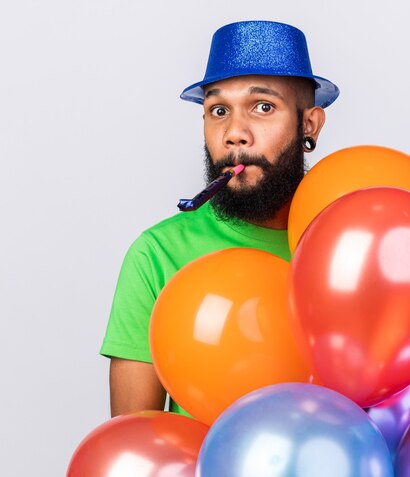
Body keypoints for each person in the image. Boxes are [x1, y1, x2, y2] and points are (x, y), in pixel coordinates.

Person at [100, 20, 339, 417]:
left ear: (309, 124)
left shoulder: (349, 251)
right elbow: (133, 449)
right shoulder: (157, 255)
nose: (235, 133)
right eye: (218, 110)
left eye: (263, 107)